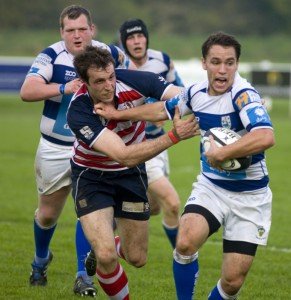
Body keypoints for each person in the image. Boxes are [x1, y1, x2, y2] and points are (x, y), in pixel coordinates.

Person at [95, 32, 275, 299]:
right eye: (215, 62)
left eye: (229, 62)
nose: (222, 70)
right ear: (204, 63)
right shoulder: (195, 92)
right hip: (211, 187)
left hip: (251, 196)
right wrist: (117, 114)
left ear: (237, 64)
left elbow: (265, 136)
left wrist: (221, 153)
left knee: (233, 281)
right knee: (185, 242)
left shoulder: (244, 95)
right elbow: (161, 110)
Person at [66, 46, 200, 299]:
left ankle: (107, 244)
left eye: (111, 77)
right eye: (99, 81)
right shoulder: (79, 110)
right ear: (84, 83)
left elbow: (184, 99)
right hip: (91, 175)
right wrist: (174, 135)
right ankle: (104, 248)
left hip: (130, 175)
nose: (108, 86)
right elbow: (123, 155)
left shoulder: (137, 80)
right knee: (106, 256)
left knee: (137, 258)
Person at [19, 5, 131, 297]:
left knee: (91, 212)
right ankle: (41, 260)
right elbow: (27, 91)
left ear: (92, 30)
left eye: (82, 29)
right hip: (55, 148)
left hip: (94, 147)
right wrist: (64, 87)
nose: (77, 36)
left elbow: (125, 72)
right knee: (47, 215)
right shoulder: (52, 56)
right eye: (70, 30)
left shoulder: (107, 53)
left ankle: (83, 275)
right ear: (62, 33)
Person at [118, 18, 184, 248]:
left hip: (160, 143)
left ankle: (110, 233)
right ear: (124, 43)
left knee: (153, 208)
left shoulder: (163, 61)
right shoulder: (117, 66)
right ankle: (183, 256)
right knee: (173, 203)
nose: (136, 41)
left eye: (140, 36)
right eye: (130, 38)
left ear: (146, 37)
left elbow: (180, 95)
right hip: (135, 146)